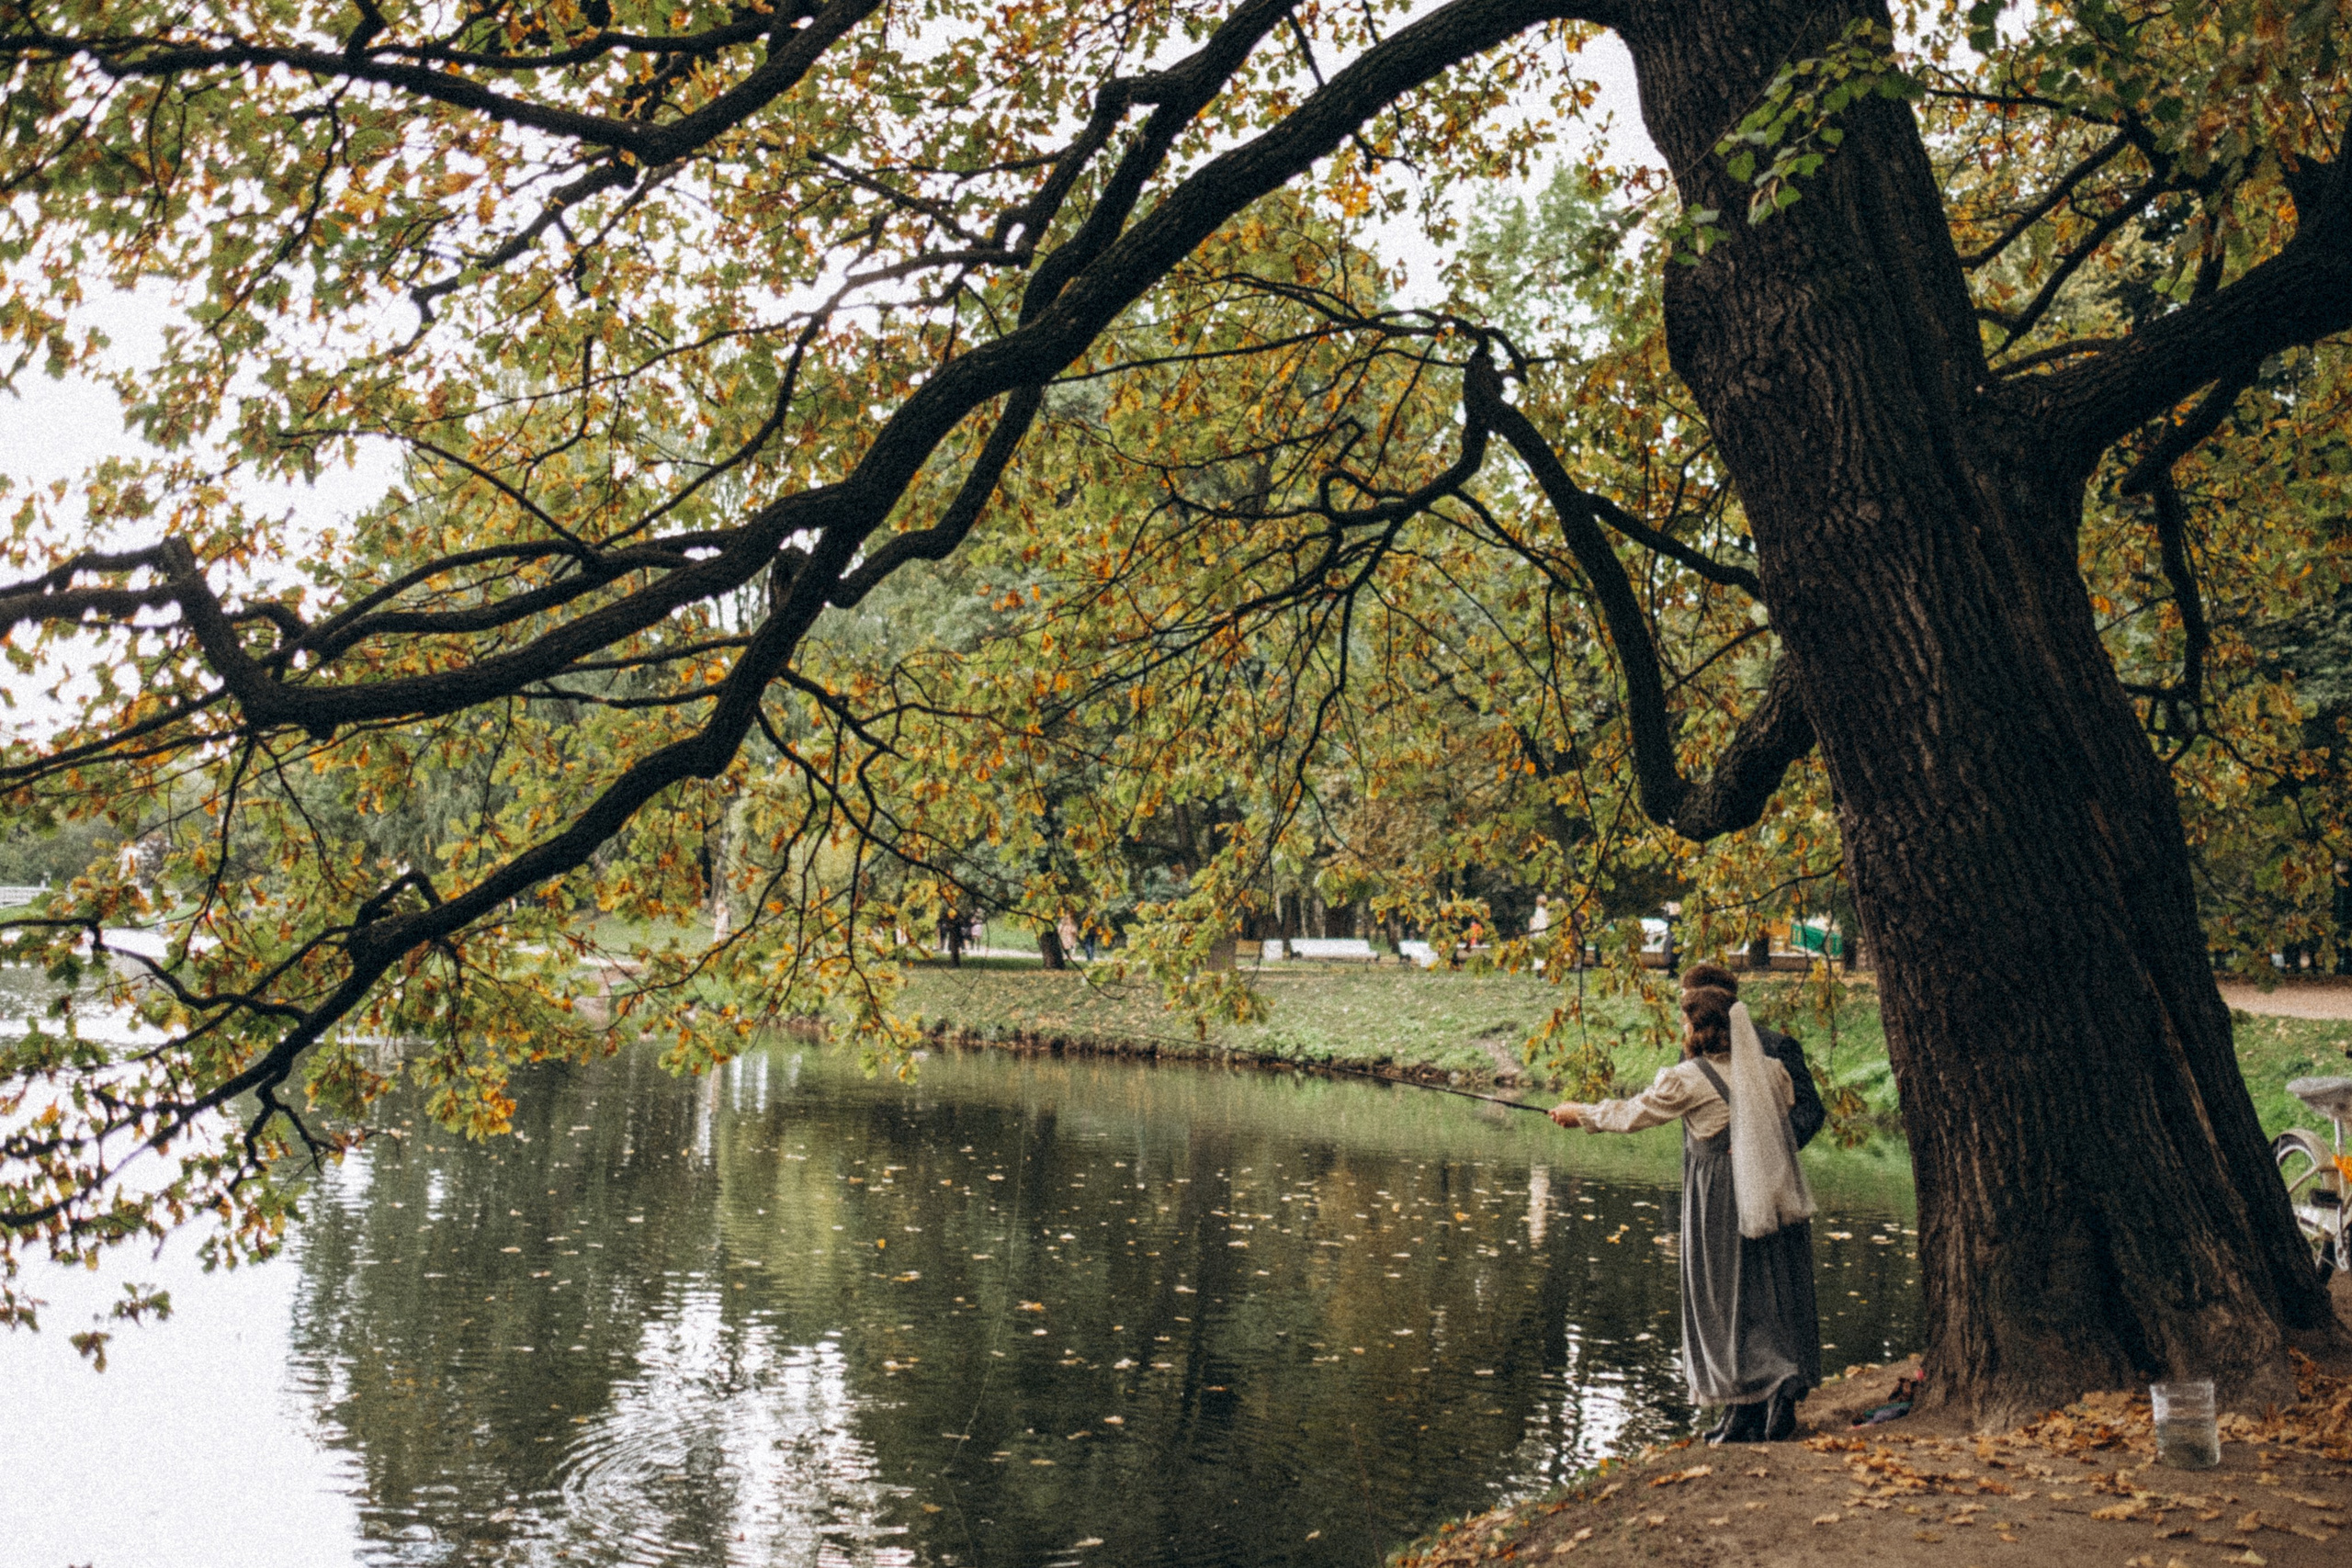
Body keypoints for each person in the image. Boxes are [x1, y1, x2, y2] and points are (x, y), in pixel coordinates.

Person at [1551, 987, 1823, 1443]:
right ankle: (1761, 1406)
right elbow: (1791, 1115)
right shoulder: (1771, 1070)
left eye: (1686, 1022)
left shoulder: (1688, 1079)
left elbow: (1632, 1113)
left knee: (1720, 1298)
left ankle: (1751, 1400)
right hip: (1768, 1192)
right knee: (1764, 1295)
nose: (1682, 1031)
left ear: (1702, 1029)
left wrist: (1580, 1113)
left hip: (1719, 1197)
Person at [1679, 960, 1826, 1149]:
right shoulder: (1691, 1048)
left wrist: (1766, 1146)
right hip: (1703, 1166)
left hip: (1762, 1168)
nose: (1683, 1011)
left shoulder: (1777, 1047)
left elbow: (1810, 1110)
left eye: (1688, 1002)